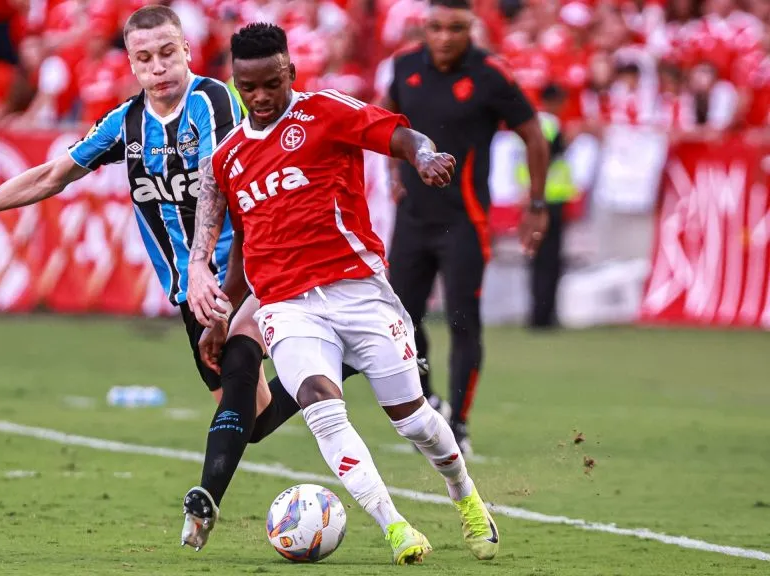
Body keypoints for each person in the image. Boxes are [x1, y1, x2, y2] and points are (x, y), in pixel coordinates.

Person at [0, 5, 298, 553]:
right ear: (132, 65)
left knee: (237, 367)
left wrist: (202, 262)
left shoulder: (211, 100)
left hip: (245, 268)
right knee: (251, 418)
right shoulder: (125, 124)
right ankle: (341, 364)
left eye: (168, 53)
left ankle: (204, 501)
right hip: (190, 289)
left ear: (187, 50)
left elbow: (215, 178)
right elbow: (50, 175)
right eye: (145, 58)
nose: (159, 66)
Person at [187, 22, 499, 565]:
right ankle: (395, 527)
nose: (260, 98)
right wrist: (221, 319)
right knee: (318, 405)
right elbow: (245, 253)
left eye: (271, 84)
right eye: (247, 87)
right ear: (235, 81)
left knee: (414, 420)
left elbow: (398, 135)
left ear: (291, 72)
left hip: (359, 292)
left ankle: (465, 496)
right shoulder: (229, 158)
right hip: (287, 306)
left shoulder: (325, 112)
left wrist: (423, 157)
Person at [382, 0, 550, 454]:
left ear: (470, 28)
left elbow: (534, 134)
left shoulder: (492, 73)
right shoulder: (403, 65)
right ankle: (429, 400)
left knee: (462, 321)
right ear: (424, 27)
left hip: (465, 221)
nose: (443, 38)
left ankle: (459, 423)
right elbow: (384, 120)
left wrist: (537, 204)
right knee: (398, 320)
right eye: (435, 28)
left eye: (455, 29)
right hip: (412, 219)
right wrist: (390, 175)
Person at [519, 83, 576, 329]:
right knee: (549, 259)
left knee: (536, 258)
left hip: (534, 197)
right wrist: (568, 142)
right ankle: (545, 315)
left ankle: (537, 313)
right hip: (549, 199)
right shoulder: (550, 124)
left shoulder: (531, 122)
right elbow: (547, 155)